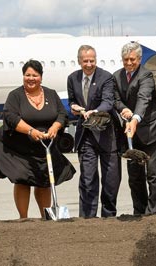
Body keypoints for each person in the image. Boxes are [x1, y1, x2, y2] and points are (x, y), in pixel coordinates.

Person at [0, 59, 75, 219]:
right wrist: (30, 131)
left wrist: (55, 127)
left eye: (35, 75)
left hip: (44, 145)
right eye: (27, 75)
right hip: (19, 146)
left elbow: (62, 114)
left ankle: (46, 217)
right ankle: (23, 218)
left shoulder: (51, 94)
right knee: (22, 180)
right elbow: (10, 117)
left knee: (44, 181)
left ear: (41, 77)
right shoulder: (15, 95)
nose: (31, 78)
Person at [113, 42, 156, 215]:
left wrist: (135, 119)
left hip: (151, 129)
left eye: (132, 59)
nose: (129, 63)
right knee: (135, 176)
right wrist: (123, 109)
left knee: (153, 174)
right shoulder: (116, 76)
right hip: (131, 134)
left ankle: (153, 212)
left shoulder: (146, 75)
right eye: (125, 59)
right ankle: (140, 210)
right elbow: (115, 98)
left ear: (139, 59)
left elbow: (144, 99)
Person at [67, 45, 121, 218]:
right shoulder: (73, 78)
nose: (89, 64)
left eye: (92, 60)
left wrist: (94, 111)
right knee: (88, 179)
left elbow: (108, 102)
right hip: (86, 135)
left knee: (110, 179)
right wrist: (73, 107)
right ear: (79, 61)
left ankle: (109, 214)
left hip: (106, 133)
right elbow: (72, 101)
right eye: (85, 61)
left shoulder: (106, 77)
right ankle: (88, 217)